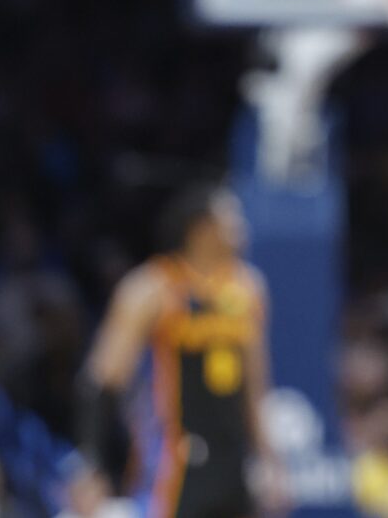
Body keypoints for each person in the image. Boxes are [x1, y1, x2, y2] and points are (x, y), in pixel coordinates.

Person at [77, 186, 276, 518]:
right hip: (171, 459)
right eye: (231, 217)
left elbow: (255, 386)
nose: (242, 226)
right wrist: (91, 464)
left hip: (233, 462)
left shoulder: (248, 287)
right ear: (201, 228)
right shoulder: (152, 288)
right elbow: (102, 380)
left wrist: (270, 459)